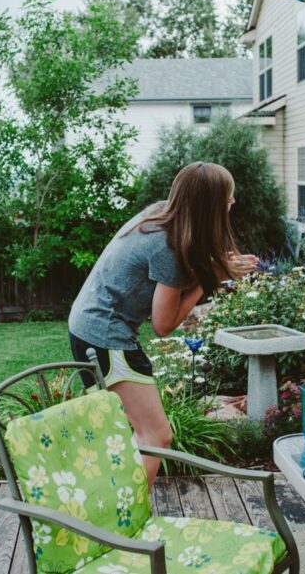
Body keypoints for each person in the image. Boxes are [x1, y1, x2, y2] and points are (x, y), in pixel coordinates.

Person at [68, 162, 257, 487]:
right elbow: (164, 324)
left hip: (88, 328)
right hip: (105, 336)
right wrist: (214, 276)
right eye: (228, 195)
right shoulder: (168, 245)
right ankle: (128, 521)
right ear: (210, 204)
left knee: (127, 433)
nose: (233, 202)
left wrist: (215, 266)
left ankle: (113, 507)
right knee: (155, 435)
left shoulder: (162, 214)